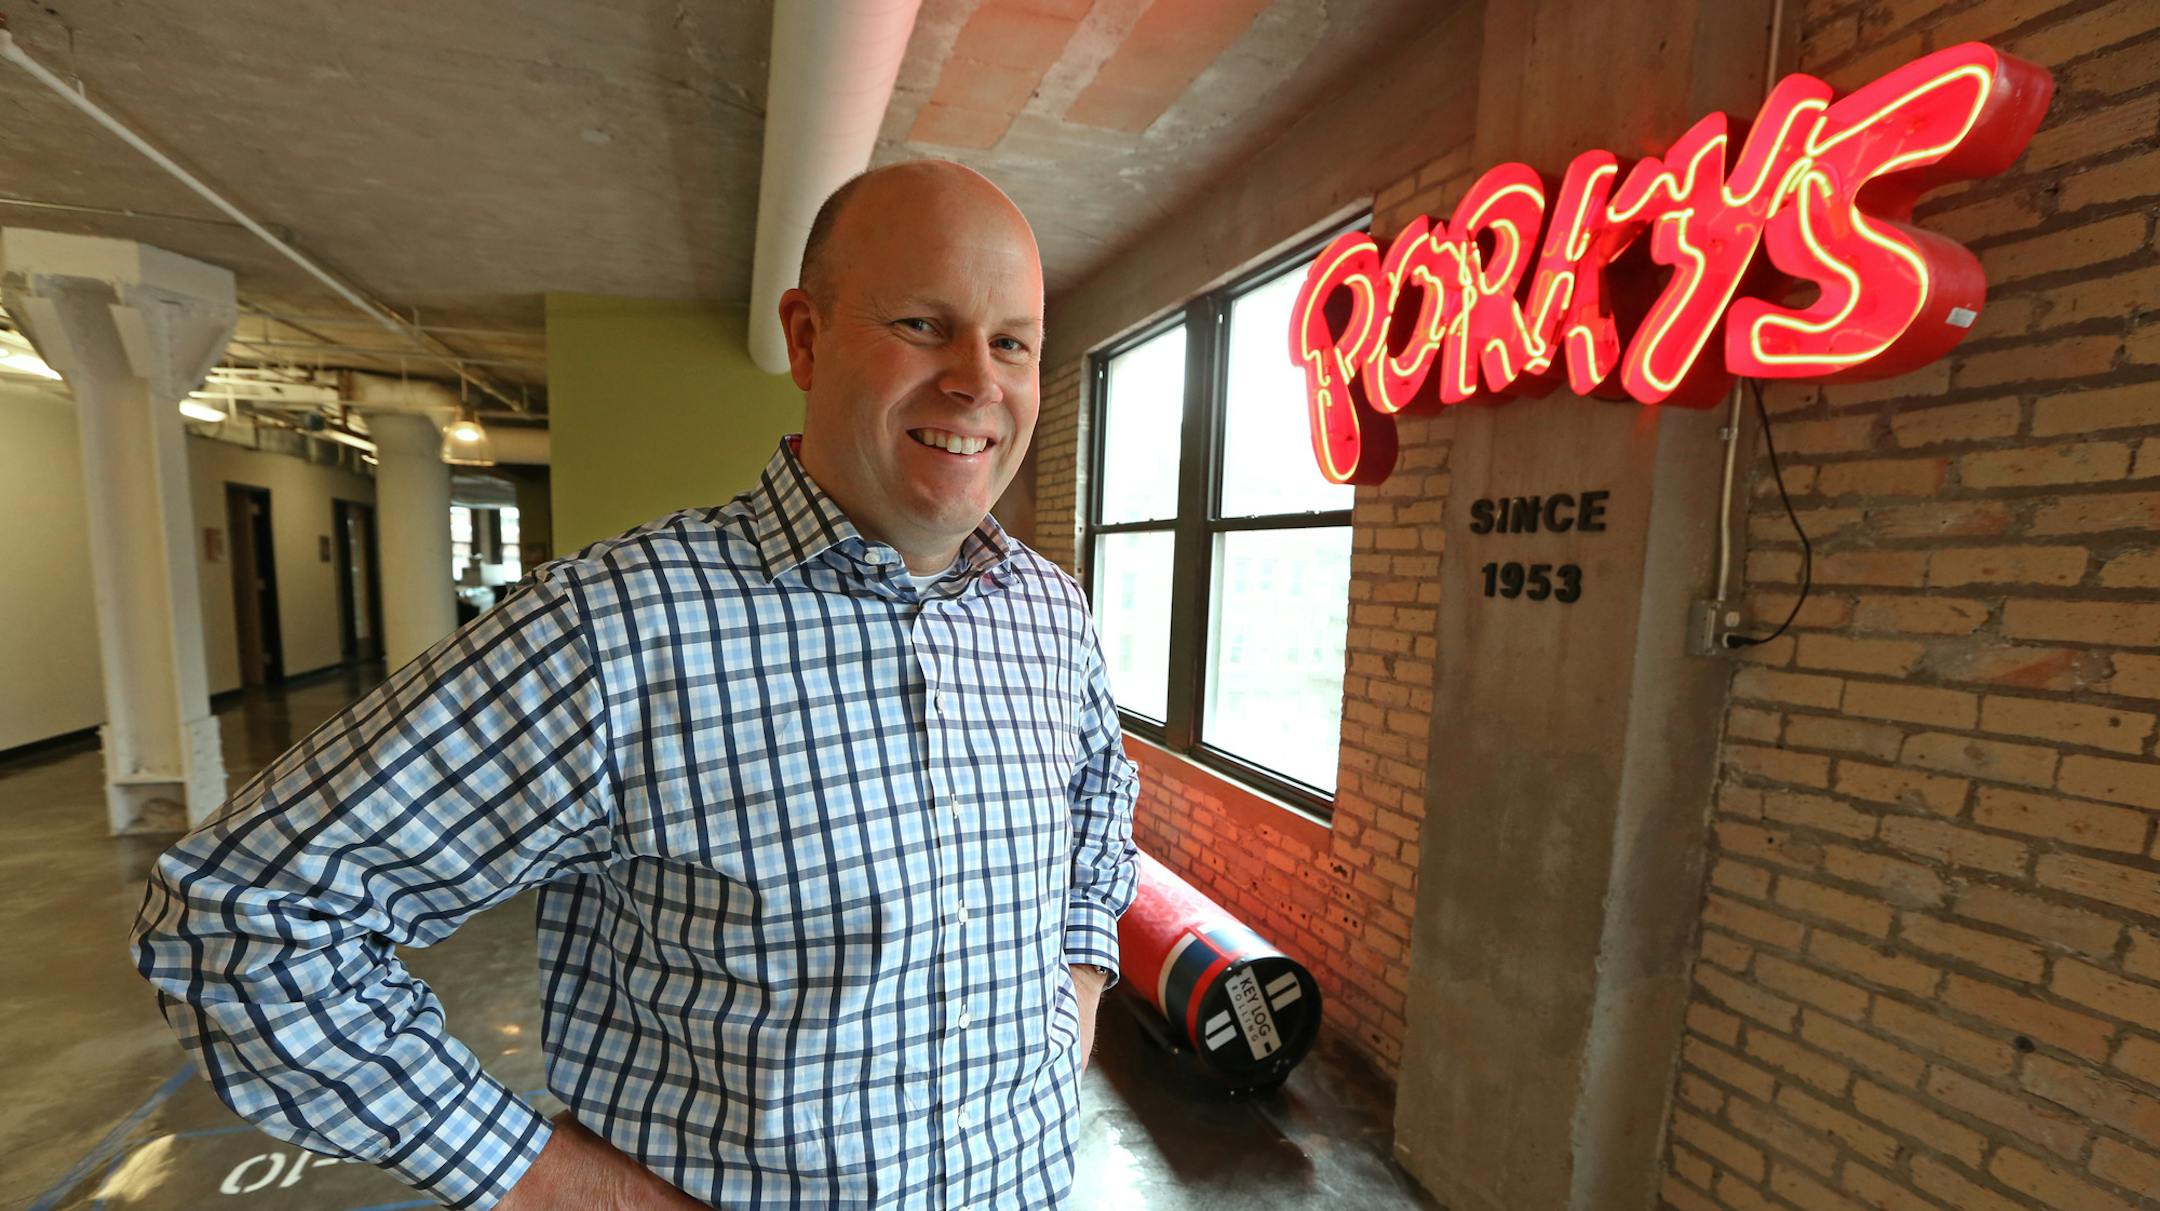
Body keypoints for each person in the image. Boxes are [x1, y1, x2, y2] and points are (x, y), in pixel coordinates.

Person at [133, 159, 1141, 1210]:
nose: (977, 380)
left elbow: (1099, 794)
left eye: (1012, 342)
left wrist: (1075, 990)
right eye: (924, 325)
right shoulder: (618, 626)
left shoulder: (1048, 611)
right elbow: (241, 913)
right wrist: (554, 1186)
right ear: (806, 337)